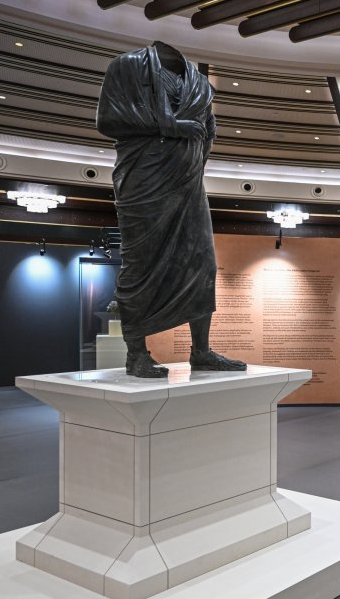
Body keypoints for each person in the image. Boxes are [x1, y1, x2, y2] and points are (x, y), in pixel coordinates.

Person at [96, 41, 246, 377]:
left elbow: (207, 128)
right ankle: (136, 354)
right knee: (141, 263)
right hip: (144, 178)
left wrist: (196, 156)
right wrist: (171, 126)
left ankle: (201, 352)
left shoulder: (199, 82)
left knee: (202, 264)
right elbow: (108, 119)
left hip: (188, 182)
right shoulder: (127, 65)